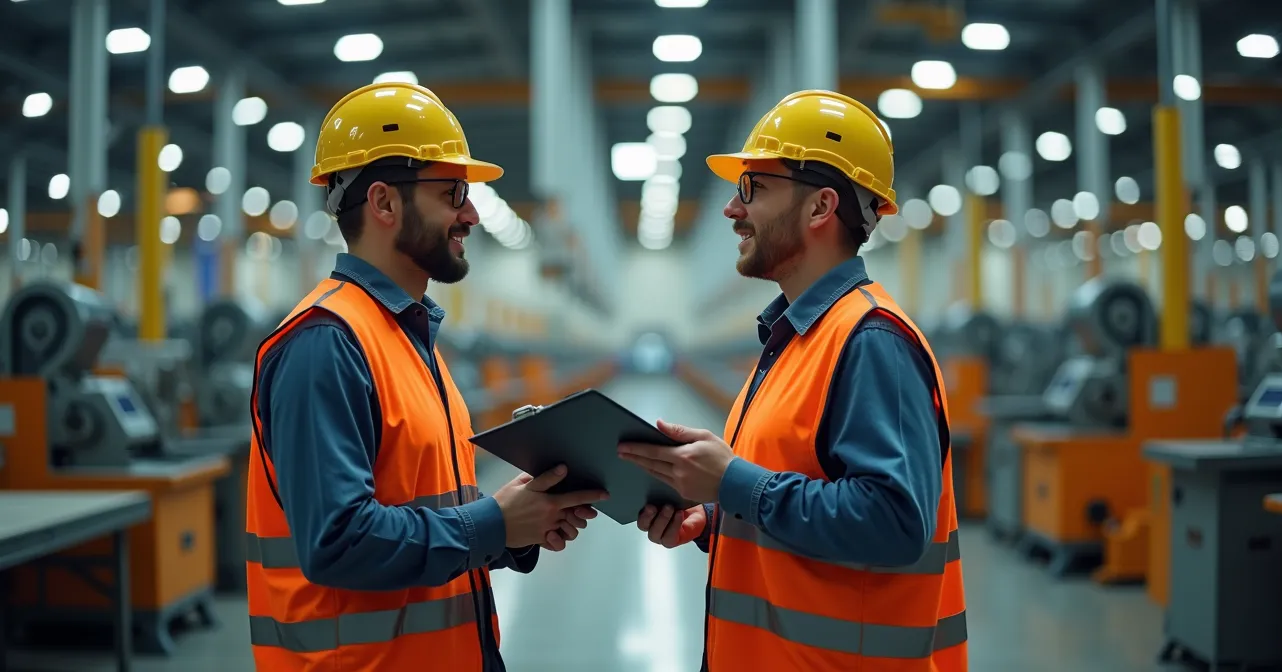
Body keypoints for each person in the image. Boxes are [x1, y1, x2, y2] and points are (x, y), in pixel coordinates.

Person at [244, 81, 608, 672]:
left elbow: (425, 515)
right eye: (452, 193)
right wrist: (494, 521)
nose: (470, 214)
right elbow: (338, 542)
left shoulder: (411, 339)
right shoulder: (325, 343)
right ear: (385, 203)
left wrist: (515, 527)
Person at [618, 89, 969, 671]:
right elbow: (798, 491)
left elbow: (894, 523)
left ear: (819, 207)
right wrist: (715, 519)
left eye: (753, 189)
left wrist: (734, 484)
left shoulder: (870, 340)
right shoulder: (796, 338)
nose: (734, 210)